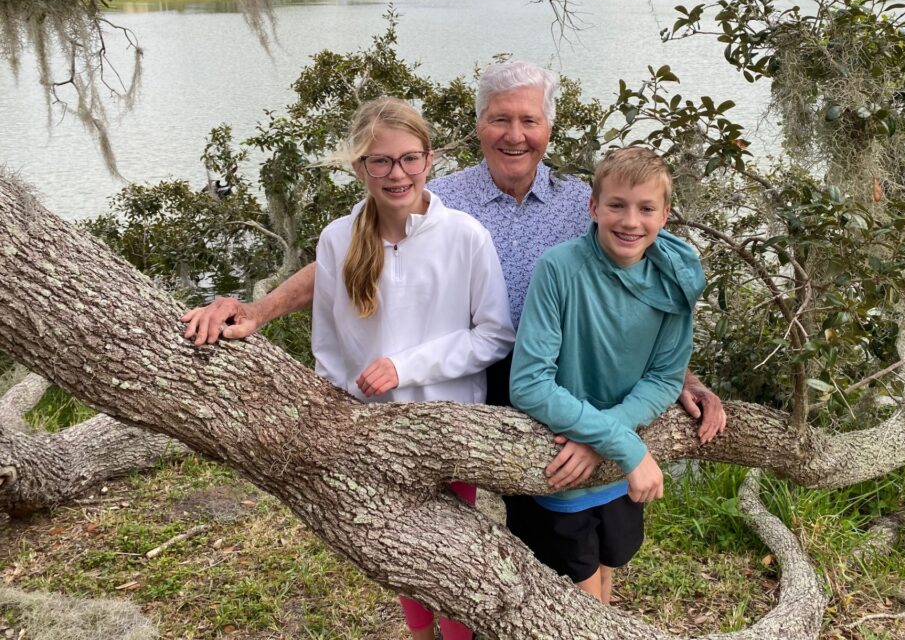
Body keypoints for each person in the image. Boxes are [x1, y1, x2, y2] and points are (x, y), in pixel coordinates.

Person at [181, 62, 726, 463]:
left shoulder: (582, 202)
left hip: (557, 378)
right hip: (463, 376)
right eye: (499, 120)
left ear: (548, 130)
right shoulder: (439, 198)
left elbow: (637, 290)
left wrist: (680, 376)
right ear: (478, 126)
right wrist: (261, 308)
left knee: (565, 522)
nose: (515, 135)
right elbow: (346, 260)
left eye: (529, 121)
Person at [307, 97, 515, 640]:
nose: (396, 173)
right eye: (380, 161)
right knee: (404, 558)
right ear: (358, 167)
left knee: (451, 563)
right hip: (376, 433)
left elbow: (494, 334)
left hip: (449, 431)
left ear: (430, 161)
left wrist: (406, 366)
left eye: (409, 158)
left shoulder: (466, 236)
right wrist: (344, 408)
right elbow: (328, 344)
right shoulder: (336, 240)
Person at [508, 147, 704, 604]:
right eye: (616, 205)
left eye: (646, 208)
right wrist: (626, 446)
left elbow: (663, 376)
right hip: (565, 461)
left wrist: (607, 441)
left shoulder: (676, 281)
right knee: (581, 588)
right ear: (593, 207)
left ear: (665, 215)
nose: (630, 221)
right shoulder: (559, 268)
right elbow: (529, 383)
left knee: (609, 561)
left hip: (615, 461)